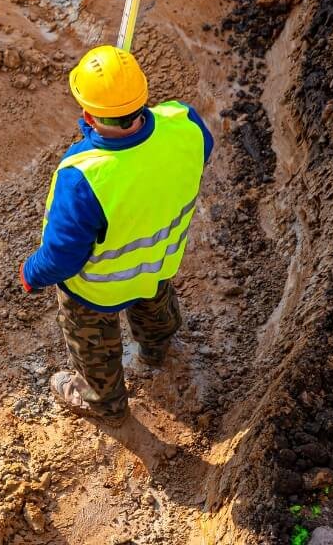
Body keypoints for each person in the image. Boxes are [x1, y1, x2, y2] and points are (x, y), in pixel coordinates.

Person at [19, 45, 213, 423]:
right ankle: (156, 350)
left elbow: (63, 256)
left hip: (97, 289)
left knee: (92, 343)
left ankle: (103, 401)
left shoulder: (82, 177)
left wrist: (32, 273)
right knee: (155, 305)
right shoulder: (184, 121)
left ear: (88, 114)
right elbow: (198, 151)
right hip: (158, 262)